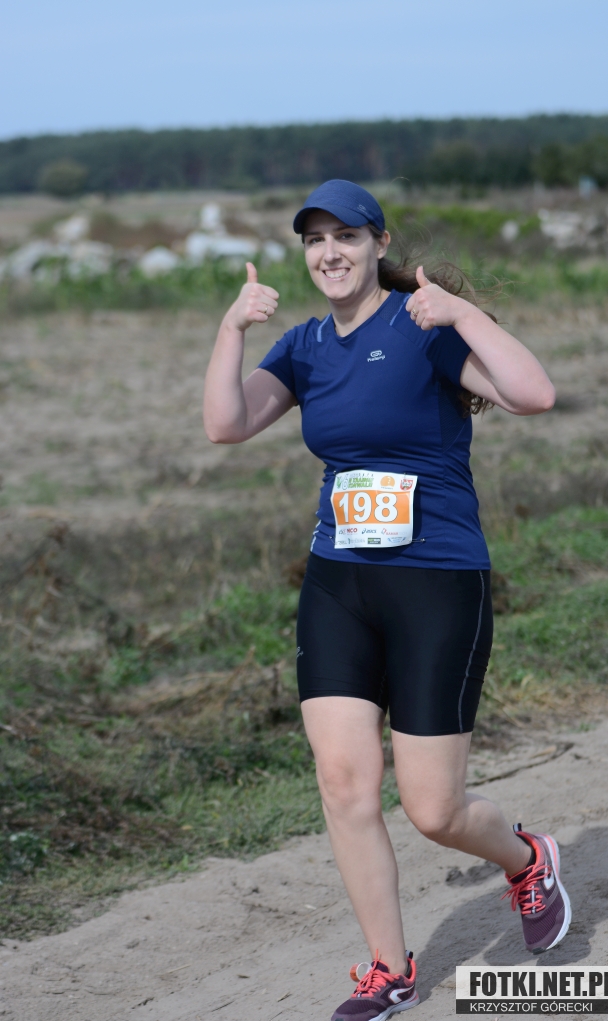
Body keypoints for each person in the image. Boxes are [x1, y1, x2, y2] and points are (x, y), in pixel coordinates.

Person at [203, 180, 571, 1021]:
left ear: (378, 242)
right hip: (339, 581)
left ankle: (525, 858)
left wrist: (460, 313)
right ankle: (388, 968)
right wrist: (230, 330)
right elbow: (226, 423)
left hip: (436, 580)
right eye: (314, 239)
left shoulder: (422, 328)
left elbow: (533, 394)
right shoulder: (302, 347)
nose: (328, 252)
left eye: (345, 235)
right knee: (342, 783)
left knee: (433, 808)